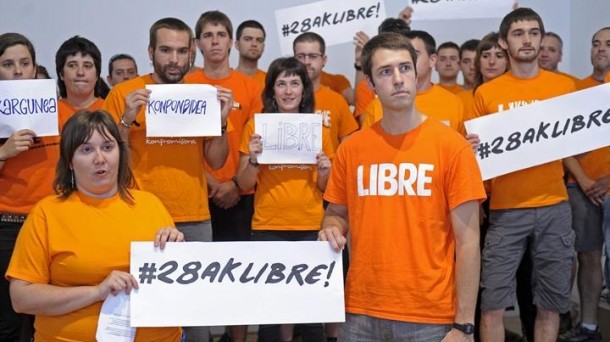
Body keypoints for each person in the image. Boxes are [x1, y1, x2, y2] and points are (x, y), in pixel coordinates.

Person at [319, 32, 484, 341]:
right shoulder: (351, 149)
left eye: (405, 68)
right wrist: (331, 227)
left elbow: (469, 242)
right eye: (385, 71)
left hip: (430, 318)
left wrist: (464, 325)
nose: (398, 79)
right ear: (370, 84)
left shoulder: (452, 147)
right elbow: (335, 213)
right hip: (360, 314)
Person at [103, 17, 232, 342]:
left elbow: (215, 160)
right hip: (138, 215)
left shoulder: (201, 95)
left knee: (196, 315)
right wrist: (125, 120)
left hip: (194, 218)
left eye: (180, 51)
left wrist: (221, 120)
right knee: (140, 311)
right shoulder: (124, 94)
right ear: (150, 52)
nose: (173, 59)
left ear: (191, 53)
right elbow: (106, 159)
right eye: (165, 50)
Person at [6, 110, 184, 342]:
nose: (100, 158)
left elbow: (175, 285)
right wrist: (96, 292)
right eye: (86, 149)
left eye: (108, 147)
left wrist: (176, 250)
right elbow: (21, 298)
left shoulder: (151, 204)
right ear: (70, 161)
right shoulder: (47, 214)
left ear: (120, 153)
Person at [474, 8, 576, 342]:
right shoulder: (486, 93)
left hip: (555, 205)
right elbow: (477, 159)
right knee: (491, 304)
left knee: (550, 303)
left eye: (534, 32)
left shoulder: (565, 87)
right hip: (505, 209)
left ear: (542, 38)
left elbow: (579, 141)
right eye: (518, 33)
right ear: (504, 42)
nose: (528, 39)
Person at [235, 56, 333, 342]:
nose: (288, 90)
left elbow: (326, 187)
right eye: (281, 84)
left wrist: (325, 170)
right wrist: (253, 159)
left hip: (311, 227)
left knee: (312, 312)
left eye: (294, 83)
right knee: (271, 313)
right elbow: (243, 184)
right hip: (268, 227)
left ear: (304, 89)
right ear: (272, 91)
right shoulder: (256, 127)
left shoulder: (319, 130)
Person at [184, 11, 261, 342]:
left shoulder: (251, 86)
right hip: (195, 195)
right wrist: (213, 183)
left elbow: (258, 139)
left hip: (240, 195)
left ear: (231, 42)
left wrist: (232, 184)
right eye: (208, 34)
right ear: (197, 43)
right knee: (194, 278)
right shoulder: (186, 85)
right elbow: (180, 143)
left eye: (220, 34)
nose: (215, 40)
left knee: (237, 277)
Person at [0, 31, 42, 342]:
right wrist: (3, 152)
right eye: (8, 63)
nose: (17, 70)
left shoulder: (50, 107)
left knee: (44, 315)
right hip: (7, 226)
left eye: (24, 63)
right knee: (9, 321)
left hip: (47, 223)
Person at [361, 30, 465, 135]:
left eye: (414, 54)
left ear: (432, 60)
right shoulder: (375, 107)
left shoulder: (454, 103)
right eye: (386, 71)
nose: (411, 59)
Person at [293, 32, 358, 154]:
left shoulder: (337, 101)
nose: (306, 61)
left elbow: (349, 149)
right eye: (301, 56)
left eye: (312, 56)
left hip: (330, 172)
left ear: (324, 60)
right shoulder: (281, 99)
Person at [55, 36, 106, 124]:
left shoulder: (111, 109)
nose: (80, 72)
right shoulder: (50, 113)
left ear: (97, 74)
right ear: (61, 74)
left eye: (87, 66)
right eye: (72, 65)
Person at [235, 20, 266, 87]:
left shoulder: (270, 81)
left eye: (259, 40)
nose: (254, 44)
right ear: (237, 44)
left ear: (263, 47)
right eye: (248, 39)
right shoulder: (226, 79)